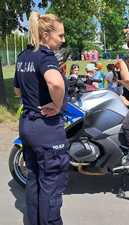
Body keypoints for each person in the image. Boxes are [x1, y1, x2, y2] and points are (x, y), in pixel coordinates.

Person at [13, 12, 69, 225]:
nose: (63, 40)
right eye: (60, 35)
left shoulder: (22, 56)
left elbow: (18, 92)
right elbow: (55, 83)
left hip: (27, 125)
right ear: (46, 34)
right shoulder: (45, 57)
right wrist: (56, 104)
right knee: (51, 184)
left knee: (34, 180)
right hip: (46, 128)